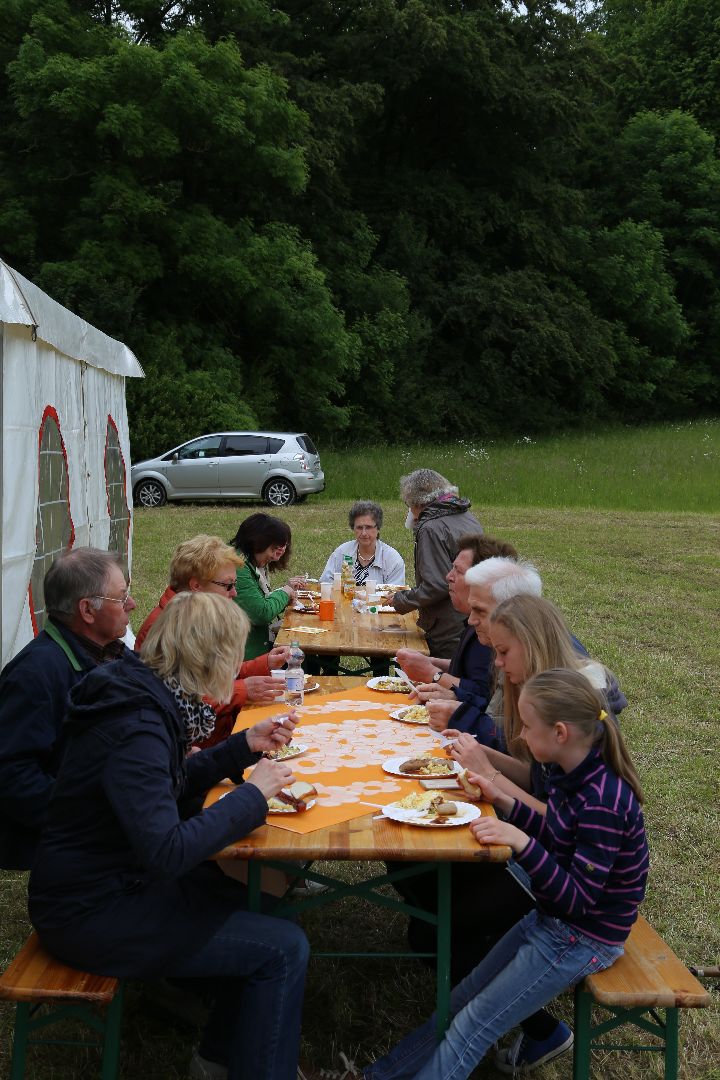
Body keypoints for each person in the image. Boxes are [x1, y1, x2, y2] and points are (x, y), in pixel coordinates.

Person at [28, 592, 309, 1080]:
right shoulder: (137, 724)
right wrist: (254, 797)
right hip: (92, 910)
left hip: (106, 884)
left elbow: (166, 785)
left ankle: (220, 1057)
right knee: (283, 947)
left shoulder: (142, 693)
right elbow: (166, 851)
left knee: (260, 899)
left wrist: (242, 746)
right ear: (211, 656)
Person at [338, 667, 648, 1080]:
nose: (519, 737)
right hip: (554, 920)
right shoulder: (570, 772)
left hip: (581, 935)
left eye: (528, 727)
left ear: (559, 733)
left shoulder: (602, 802)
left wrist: (521, 842)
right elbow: (558, 831)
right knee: (458, 1003)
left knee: (472, 1026)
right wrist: (501, 797)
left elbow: (576, 899)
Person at [0, 547, 135, 870]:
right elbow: (13, 776)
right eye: (122, 597)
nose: (131, 603)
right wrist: (93, 815)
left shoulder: (110, 652)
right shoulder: (36, 674)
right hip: (76, 837)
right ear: (87, 610)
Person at [135, 534, 290, 745]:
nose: (234, 593)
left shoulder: (200, 618)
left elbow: (215, 673)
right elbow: (177, 702)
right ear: (196, 586)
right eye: (228, 585)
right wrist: (243, 691)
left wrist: (264, 664)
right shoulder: (166, 628)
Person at [396, 536, 518, 728]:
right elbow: (473, 672)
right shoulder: (477, 620)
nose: (448, 576)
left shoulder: (492, 630)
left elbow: (484, 694)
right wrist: (433, 662)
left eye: (458, 571)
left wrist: (432, 674)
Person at [390, 469, 482, 659]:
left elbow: (436, 585)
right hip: (474, 614)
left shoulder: (431, 528)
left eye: (408, 504)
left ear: (416, 502)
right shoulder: (467, 517)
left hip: (448, 625)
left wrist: (401, 600)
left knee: (446, 680)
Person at [230, 513, 305, 660]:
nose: (278, 554)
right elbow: (261, 613)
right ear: (257, 542)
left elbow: (256, 603)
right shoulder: (238, 566)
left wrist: (286, 595)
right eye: (274, 548)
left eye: (283, 547)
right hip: (244, 654)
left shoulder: (250, 562)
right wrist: (285, 592)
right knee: (300, 656)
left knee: (305, 652)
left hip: (253, 645)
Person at [319, 501, 405, 586]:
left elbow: (395, 595)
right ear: (353, 528)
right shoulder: (341, 553)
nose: (364, 533)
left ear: (378, 528)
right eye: (359, 528)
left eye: (368, 527)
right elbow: (325, 584)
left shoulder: (393, 560)